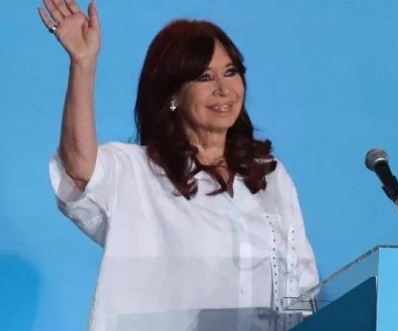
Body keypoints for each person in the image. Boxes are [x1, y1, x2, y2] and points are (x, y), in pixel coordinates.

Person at [37, 1, 319, 330]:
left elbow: (302, 288)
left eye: (231, 72)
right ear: (173, 95)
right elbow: (79, 167)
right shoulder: (136, 173)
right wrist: (83, 64)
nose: (224, 89)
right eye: (204, 77)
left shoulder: (269, 176)